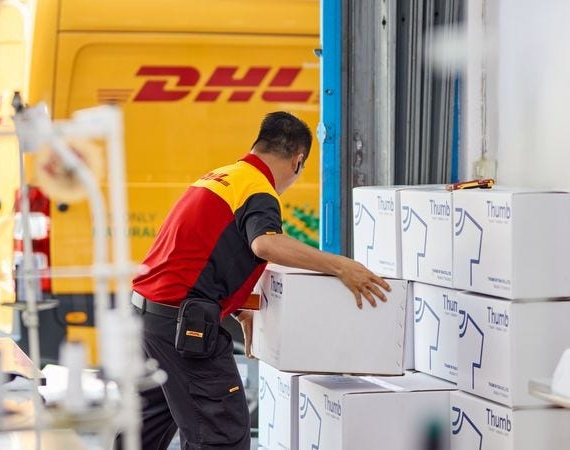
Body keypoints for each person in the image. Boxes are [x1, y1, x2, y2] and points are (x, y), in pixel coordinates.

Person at [128, 111, 390, 449]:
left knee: (142, 431)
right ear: (298, 161)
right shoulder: (258, 190)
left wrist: (239, 309)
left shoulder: (222, 177)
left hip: (146, 317)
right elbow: (265, 244)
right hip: (180, 327)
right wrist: (341, 266)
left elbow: (202, 252)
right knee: (221, 435)